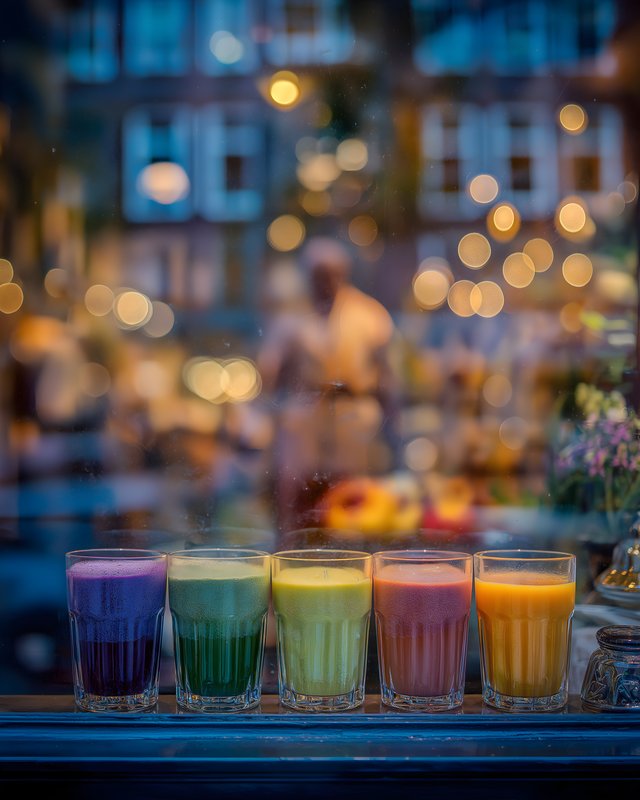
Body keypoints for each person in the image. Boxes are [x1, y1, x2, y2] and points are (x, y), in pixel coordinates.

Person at [258, 237, 399, 534]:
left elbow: (386, 375)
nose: (326, 281)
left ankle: (351, 555)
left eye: (333, 272)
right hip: (305, 416)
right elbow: (271, 376)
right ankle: (295, 550)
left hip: (354, 415)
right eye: (319, 273)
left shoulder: (369, 315)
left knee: (354, 498)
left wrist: (392, 427)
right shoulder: (291, 319)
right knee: (300, 498)